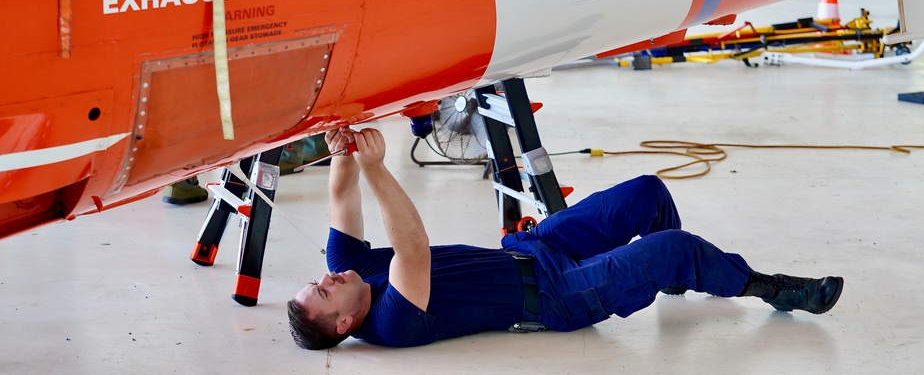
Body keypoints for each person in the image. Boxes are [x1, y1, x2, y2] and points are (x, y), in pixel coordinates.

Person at [287, 127, 844, 349]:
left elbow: (342, 196)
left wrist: (343, 150)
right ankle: (767, 287)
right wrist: (380, 168)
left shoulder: (349, 272)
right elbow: (412, 247)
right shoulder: (392, 322)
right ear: (344, 324)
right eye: (326, 292)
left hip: (531, 253)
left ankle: (674, 276)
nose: (329, 277)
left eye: (319, 280)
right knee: (672, 249)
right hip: (556, 298)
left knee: (647, 192)